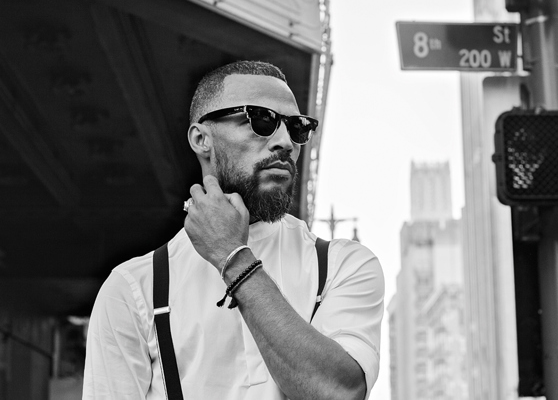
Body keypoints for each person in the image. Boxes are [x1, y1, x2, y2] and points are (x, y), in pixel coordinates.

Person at [82, 60, 385, 400]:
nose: (286, 142)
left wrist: (233, 258)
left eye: (297, 127)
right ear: (201, 139)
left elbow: (339, 392)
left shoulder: (344, 266)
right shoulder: (133, 288)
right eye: (261, 120)